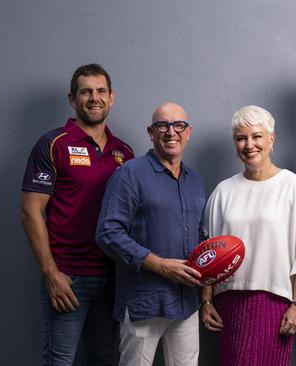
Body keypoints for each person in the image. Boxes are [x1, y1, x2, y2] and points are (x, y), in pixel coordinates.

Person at [201, 105, 296, 366]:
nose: (249, 144)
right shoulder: (223, 191)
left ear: (271, 139)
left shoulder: (293, 187)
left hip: (274, 303)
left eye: (256, 136)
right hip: (228, 302)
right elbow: (209, 251)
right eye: (241, 138)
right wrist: (206, 300)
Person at [21, 63, 133, 365]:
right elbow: (31, 212)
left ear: (111, 98)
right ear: (73, 99)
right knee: (60, 362)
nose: (94, 98)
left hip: (111, 279)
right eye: (86, 92)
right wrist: (50, 273)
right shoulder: (53, 143)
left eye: (100, 91)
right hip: (68, 279)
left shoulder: (125, 153)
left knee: (102, 359)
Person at [96, 102, 206, 366]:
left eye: (178, 125)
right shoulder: (130, 174)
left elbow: (200, 235)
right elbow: (107, 232)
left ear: (188, 132)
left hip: (186, 303)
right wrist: (158, 265)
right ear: (151, 132)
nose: (171, 132)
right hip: (143, 301)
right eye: (162, 126)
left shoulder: (196, 180)